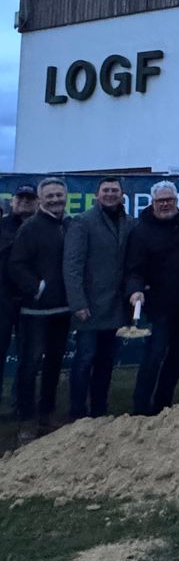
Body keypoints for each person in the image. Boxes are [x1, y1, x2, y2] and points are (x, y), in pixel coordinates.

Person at [63, 177, 134, 420]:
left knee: (106, 363)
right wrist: (78, 302)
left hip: (116, 307)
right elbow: (72, 265)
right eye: (106, 190)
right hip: (90, 307)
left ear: (122, 195)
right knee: (84, 361)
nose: (110, 194)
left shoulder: (129, 221)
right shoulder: (82, 221)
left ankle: (99, 411)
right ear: (97, 194)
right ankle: (77, 413)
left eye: (115, 190)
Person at [7, 177, 73, 442]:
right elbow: (16, 265)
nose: (56, 199)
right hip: (35, 313)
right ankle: (27, 420)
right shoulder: (31, 227)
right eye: (50, 196)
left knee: (54, 365)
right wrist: (38, 288)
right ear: (41, 199)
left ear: (65, 197)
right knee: (30, 365)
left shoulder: (69, 225)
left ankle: (47, 414)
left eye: (59, 195)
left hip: (63, 310)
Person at [125, 180, 179, 416]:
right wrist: (135, 290)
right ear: (153, 202)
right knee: (154, 356)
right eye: (160, 201)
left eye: (169, 200)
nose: (165, 204)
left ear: (177, 201)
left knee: (178, 356)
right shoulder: (141, 231)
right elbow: (134, 268)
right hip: (158, 307)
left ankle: (163, 405)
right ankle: (140, 408)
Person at [0, 184, 38, 408]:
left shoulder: (40, 226)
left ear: (37, 201)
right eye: (20, 197)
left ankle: (21, 403)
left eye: (30, 198)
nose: (25, 201)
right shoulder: (1, 225)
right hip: (2, 300)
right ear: (12, 201)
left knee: (29, 357)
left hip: (31, 302)